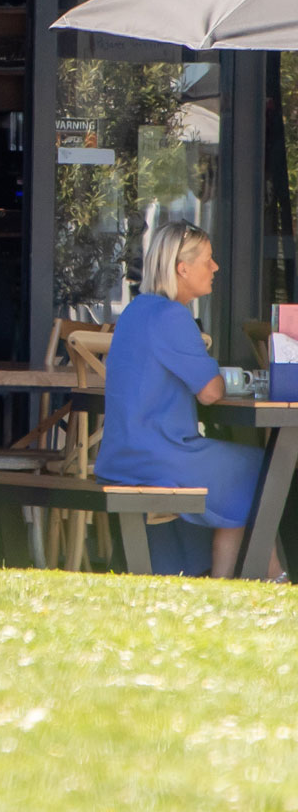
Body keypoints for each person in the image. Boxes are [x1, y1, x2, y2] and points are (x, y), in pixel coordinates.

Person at [95, 220, 283, 581]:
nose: (215, 268)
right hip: (158, 457)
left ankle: (232, 580)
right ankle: (262, 576)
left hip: (122, 455)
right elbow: (211, 392)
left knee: (249, 468)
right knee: (263, 467)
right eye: (208, 260)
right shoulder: (172, 315)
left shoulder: (136, 311)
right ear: (182, 268)